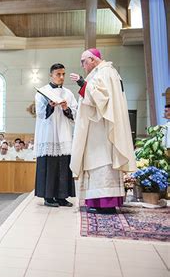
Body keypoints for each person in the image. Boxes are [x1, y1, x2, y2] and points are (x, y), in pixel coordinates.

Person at [70, 48, 136, 214]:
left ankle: (106, 204)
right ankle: (99, 203)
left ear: (92, 59)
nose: (82, 65)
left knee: (102, 163)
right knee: (98, 163)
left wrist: (82, 83)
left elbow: (101, 99)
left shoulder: (104, 72)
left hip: (102, 129)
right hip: (98, 128)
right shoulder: (105, 72)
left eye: (84, 61)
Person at [34, 63, 77, 207]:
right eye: (58, 74)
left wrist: (66, 108)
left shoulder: (68, 93)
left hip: (63, 133)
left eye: (63, 74)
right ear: (51, 75)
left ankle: (62, 196)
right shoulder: (42, 92)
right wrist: (50, 106)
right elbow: (40, 114)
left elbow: (75, 114)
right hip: (48, 133)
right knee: (49, 165)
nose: (61, 77)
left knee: (63, 164)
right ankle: (48, 197)